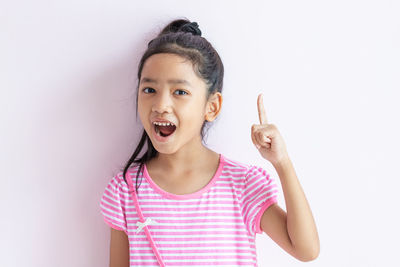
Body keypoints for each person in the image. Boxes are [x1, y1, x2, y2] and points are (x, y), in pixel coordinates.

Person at [100, 18, 319, 267]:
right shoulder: (125, 191)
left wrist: (281, 162)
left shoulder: (242, 185)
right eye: (149, 89)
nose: (160, 105)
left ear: (211, 107)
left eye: (180, 92)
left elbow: (306, 249)